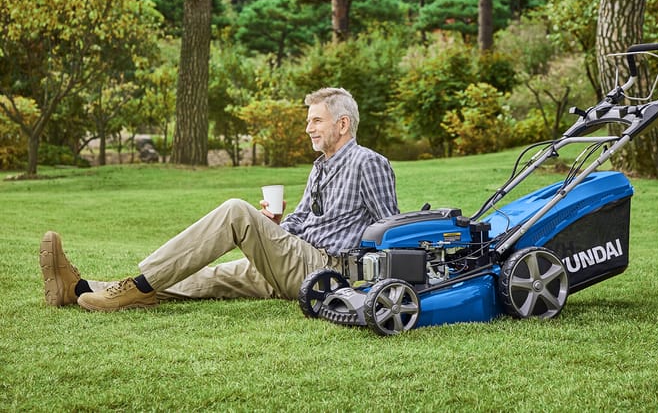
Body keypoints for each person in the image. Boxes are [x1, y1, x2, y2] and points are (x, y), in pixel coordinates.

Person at [39, 87, 399, 312]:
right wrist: (274, 229)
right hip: (294, 261)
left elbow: (393, 229)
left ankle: (138, 288)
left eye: (317, 120)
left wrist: (373, 290)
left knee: (236, 211)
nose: (308, 128)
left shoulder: (368, 162)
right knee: (206, 278)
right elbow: (303, 219)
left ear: (343, 124)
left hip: (326, 271)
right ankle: (80, 289)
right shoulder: (321, 166)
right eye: (309, 121)